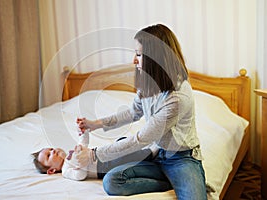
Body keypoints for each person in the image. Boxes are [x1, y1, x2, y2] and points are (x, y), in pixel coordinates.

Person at [75, 24, 207, 200]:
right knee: (112, 181)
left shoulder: (178, 96)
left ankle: (179, 179)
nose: (134, 60)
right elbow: (133, 112)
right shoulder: (149, 84)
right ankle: (170, 182)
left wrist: (93, 154)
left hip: (181, 159)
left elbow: (141, 139)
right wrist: (95, 124)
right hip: (156, 154)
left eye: (139, 54)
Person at [32, 130, 153, 181]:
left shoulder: (71, 153)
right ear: (52, 170)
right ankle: (150, 153)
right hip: (102, 168)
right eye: (49, 155)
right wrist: (80, 164)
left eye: (51, 149)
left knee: (121, 141)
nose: (53, 151)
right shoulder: (66, 170)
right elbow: (80, 176)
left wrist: (84, 133)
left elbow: (83, 144)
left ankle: (141, 144)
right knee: (123, 158)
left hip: (100, 155)